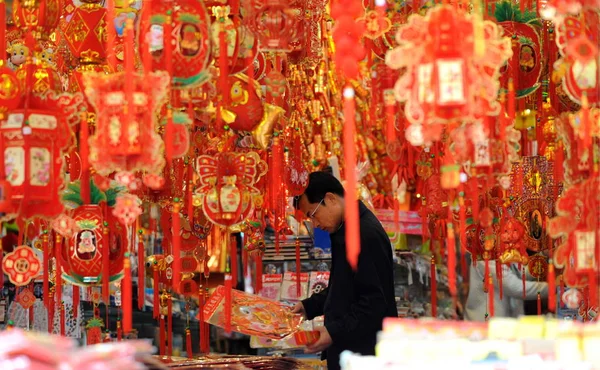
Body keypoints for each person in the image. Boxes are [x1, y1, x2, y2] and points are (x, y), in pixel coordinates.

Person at [292, 171, 398, 370]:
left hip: (364, 355)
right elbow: (344, 286)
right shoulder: (346, 229)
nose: (314, 224)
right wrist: (309, 306)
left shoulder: (364, 234)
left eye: (312, 215)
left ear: (331, 199)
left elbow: (374, 303)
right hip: (352, 352)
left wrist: (333, 332)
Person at [465, 260, 549, 321]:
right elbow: (514, 287)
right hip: (487, 324)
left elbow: (521, 273)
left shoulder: (502, 249)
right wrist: (552, 287)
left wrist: (544, 259)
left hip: (505, 323)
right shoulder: (486, 255)